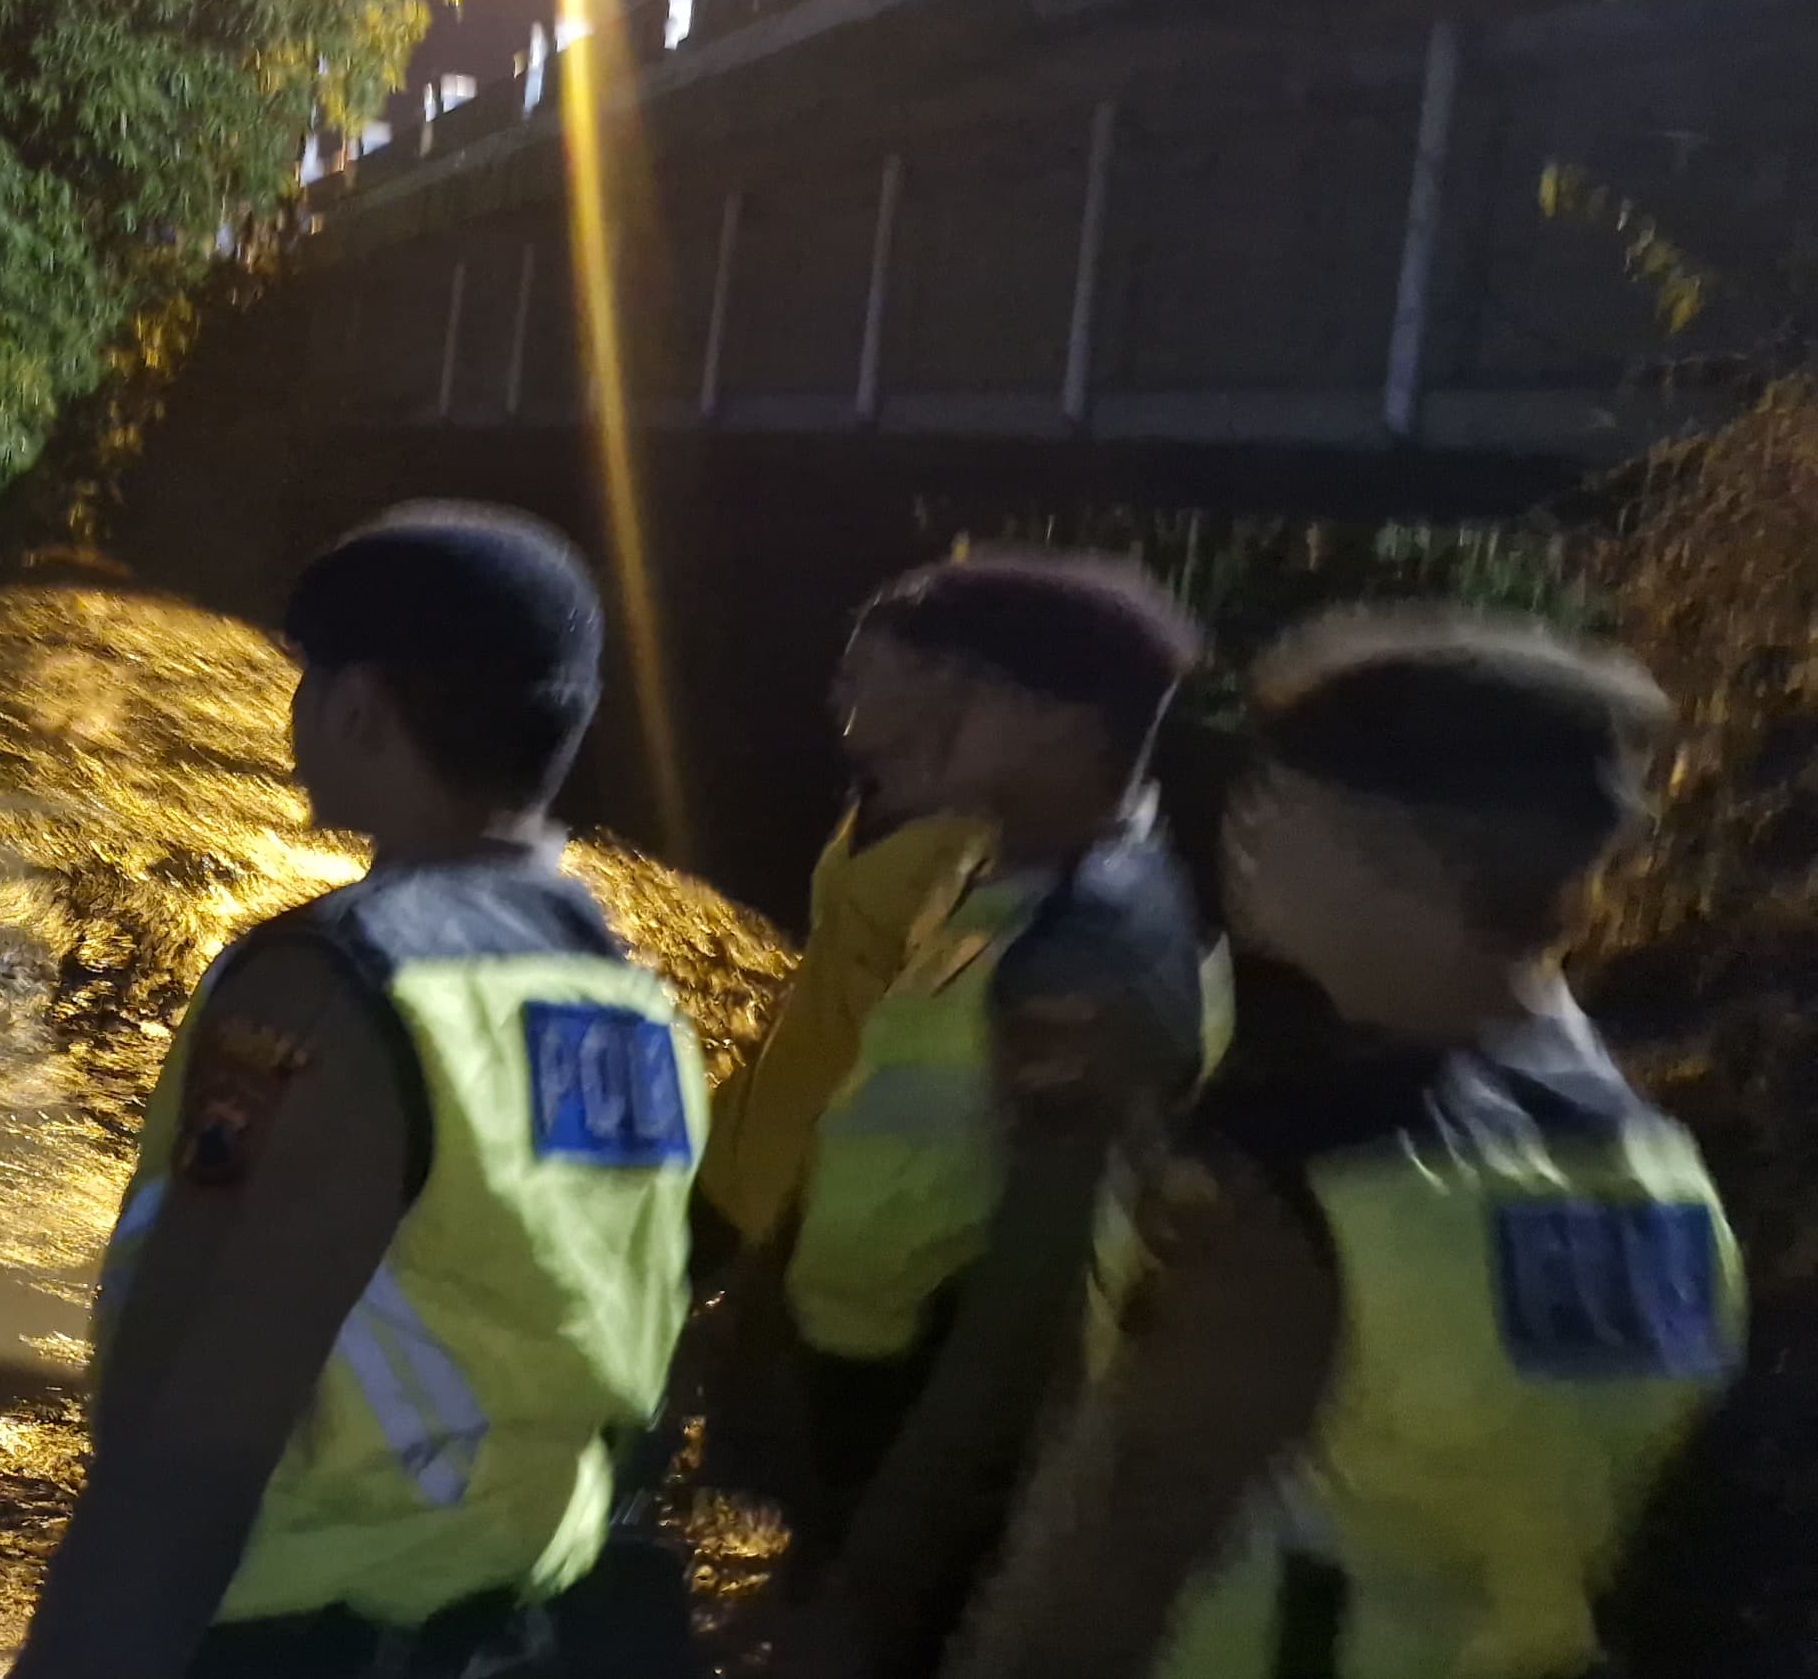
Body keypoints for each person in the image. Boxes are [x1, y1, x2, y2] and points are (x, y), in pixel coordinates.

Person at [942, 612, 1740, 1679]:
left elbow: (1124, 1533)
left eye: (1282, 806)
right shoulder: (1666, 1185)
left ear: (1401, 857)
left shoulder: (1304, 1179)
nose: (1244, 828)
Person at [7, 504, 706, 1679]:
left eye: (304, 679)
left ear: (358, 708)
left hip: (297, 1630)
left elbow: (202, 1409)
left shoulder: (328, 983)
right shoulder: (634, 1002)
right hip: (516, 1618)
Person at [773, 553, 1221, 1678]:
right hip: (870, 1413)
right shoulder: (992, 876)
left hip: (936, 1467)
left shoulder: (1094, 941)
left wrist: (876, 1581)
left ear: (1061, 723)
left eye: (953, 689)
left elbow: (1029, 1317)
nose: (903, 715)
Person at [693, 626, 998, 1274]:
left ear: (936, 685)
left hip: (821, 1188)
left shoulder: (969, 851)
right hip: (749, 1132)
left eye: (861, 673)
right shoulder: (877, 800)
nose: (837, 692)